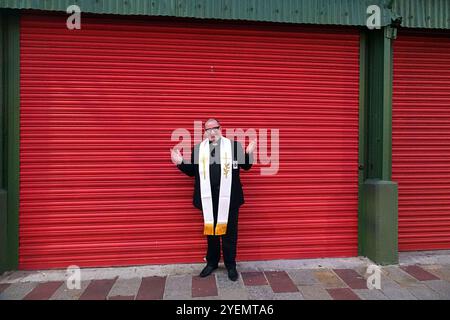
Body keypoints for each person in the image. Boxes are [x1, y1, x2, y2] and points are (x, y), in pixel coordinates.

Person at [171, 119, 256, 281]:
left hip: (230, 199)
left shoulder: (233, 146)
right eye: (207, 129)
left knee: (230, 233)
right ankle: (212, 263)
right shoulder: (198, 149)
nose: (211, 132)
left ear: (220, 128)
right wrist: (180, 163)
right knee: (211, 232)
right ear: (204, 132)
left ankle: (231, 265)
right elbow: (192, 172)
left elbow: (246, 166)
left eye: (214, 128)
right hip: (208, 199)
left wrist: (248, 153)